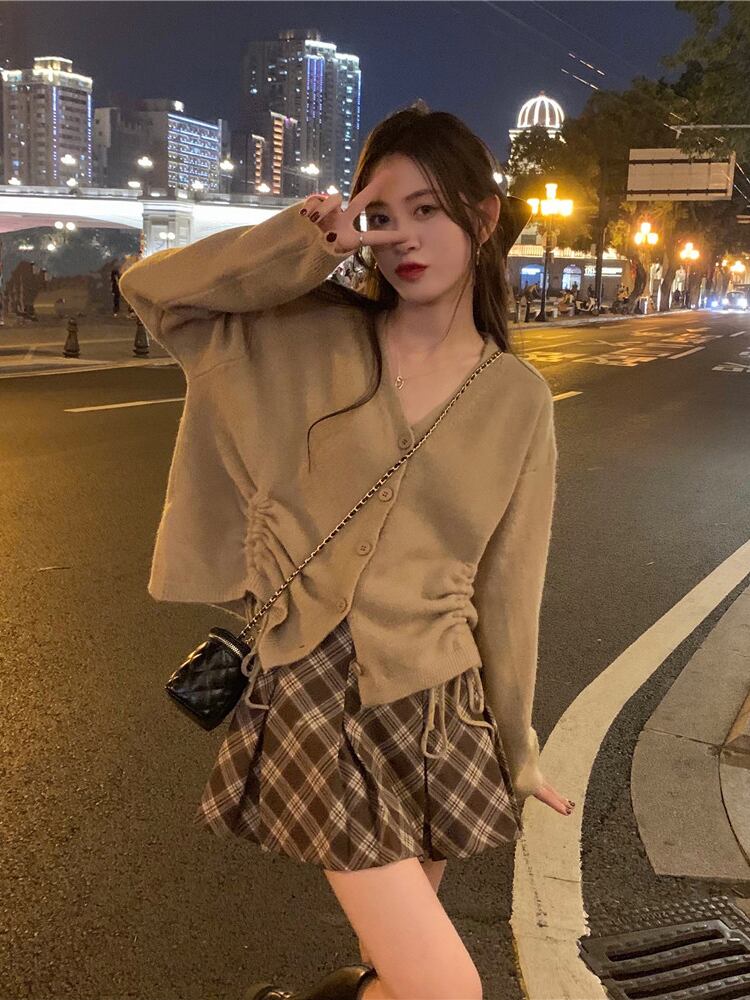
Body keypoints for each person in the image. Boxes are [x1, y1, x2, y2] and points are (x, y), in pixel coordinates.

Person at [119, 102, 572, 1000]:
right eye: (381, 214)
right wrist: (306, 241)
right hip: (316, 690)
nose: (401, 238)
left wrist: (517, 745)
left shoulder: (519, 399)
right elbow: (155, 291)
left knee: (396, 977)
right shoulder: (307, 333)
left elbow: (509, 590)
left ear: (483, 219)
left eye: (428, 210)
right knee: (449, 990)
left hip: (439, 711)